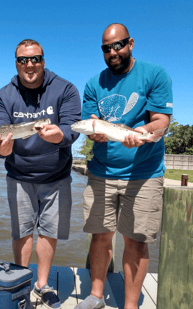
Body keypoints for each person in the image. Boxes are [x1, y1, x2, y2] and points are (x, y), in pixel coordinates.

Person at [75, 23, 173, 309]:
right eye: (106, 48)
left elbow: (162, 121)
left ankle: (130, 305)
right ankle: (95, 295)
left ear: (130, 43)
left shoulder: (154, 74)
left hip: (144, 174)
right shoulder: (94, 83)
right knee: (100, 236)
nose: (112, 51)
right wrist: (93, 132)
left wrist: (142, 134)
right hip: (101, 172)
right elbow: (91, 121)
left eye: (117, 45)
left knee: (136, 241)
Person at [0, 39, 81, 309]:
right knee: (21, 232)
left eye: (35, 59)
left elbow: (72, 127)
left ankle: (43, 284)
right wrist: (1, 149)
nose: (29, 65)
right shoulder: (3, 96)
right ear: (16, 62)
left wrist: (60, 135)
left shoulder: (65, 88)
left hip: (57, 176)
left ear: (43, 60)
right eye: (23, 60)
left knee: (49, 232)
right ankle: (21, 283)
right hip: (19, 175)